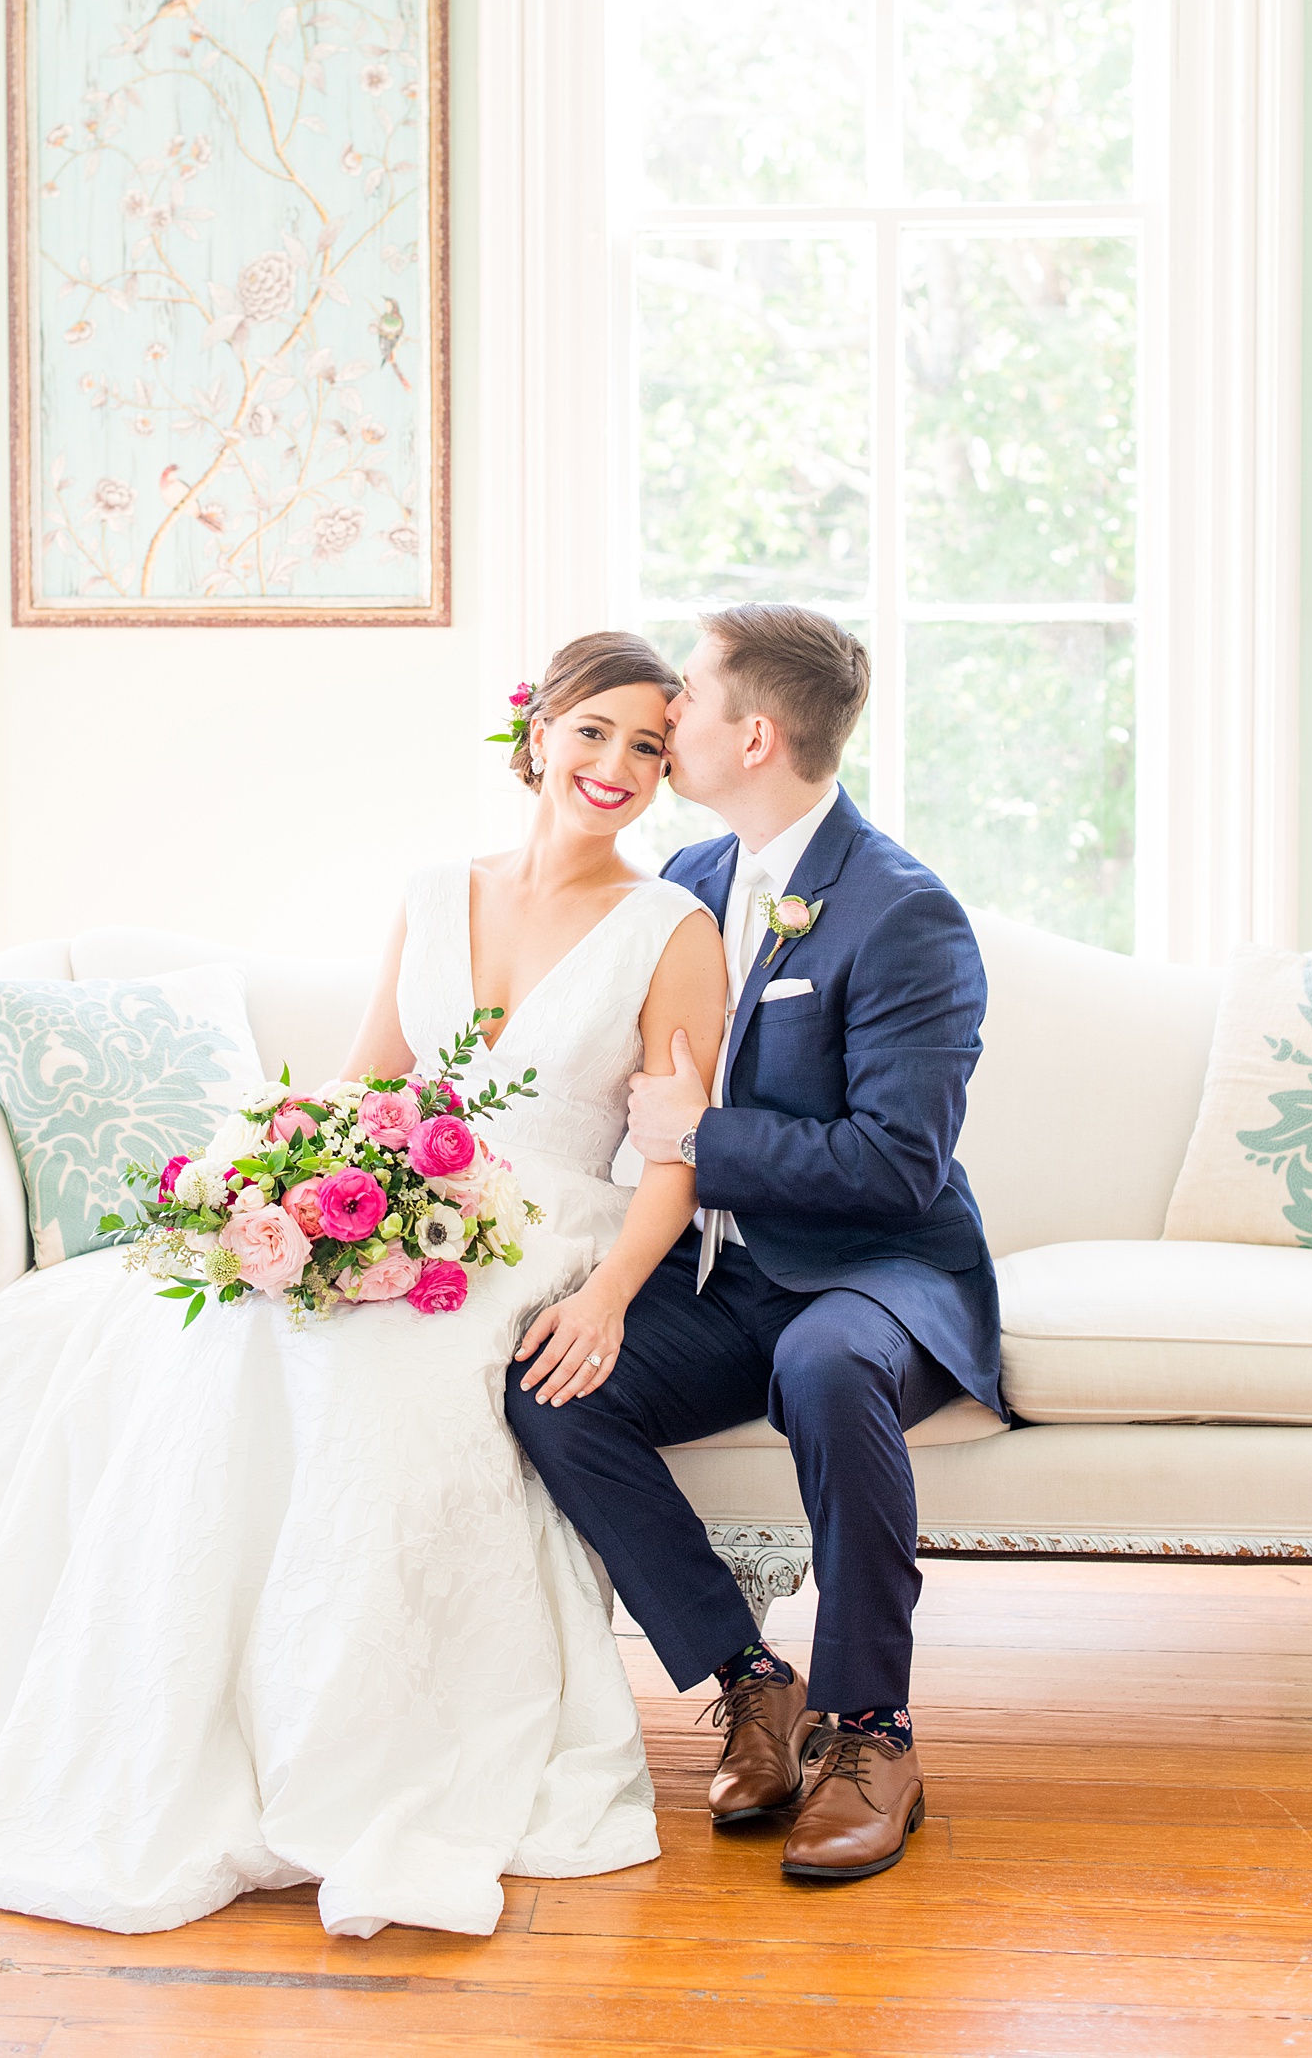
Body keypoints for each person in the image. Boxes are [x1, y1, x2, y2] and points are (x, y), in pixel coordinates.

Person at [0, 632, 728, 1942]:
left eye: (649, 748)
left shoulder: (673, 926)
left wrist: (611, 1293)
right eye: (596, 730)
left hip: (544, 1228)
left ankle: (337, 1744)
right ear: (538, 729)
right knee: (126, 1323)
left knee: (371, 1372)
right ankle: (140, 1704)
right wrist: (294, 1182)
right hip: (398, 1194)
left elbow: (679, 1150)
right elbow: (370, 1076)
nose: (615, 765)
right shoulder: (435, 887)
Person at [508, 604, 1001, 1884]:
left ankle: (869, 1733)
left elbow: (900, 1166)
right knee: (552, 1384)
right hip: (718, 1278)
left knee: (828, 1368)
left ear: (755, 732)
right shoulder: (691, 883)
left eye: (692, 698)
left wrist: (706, 1134)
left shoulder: (904, 913)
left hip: (873, 1275)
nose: (668, 717)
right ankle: (747, 1681)